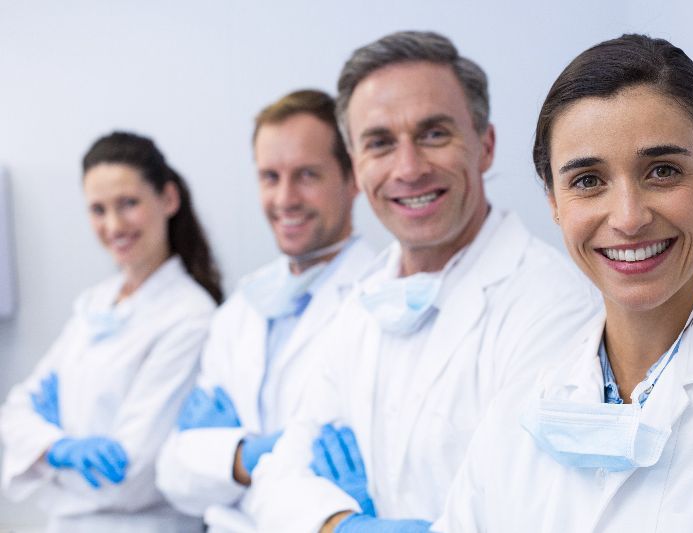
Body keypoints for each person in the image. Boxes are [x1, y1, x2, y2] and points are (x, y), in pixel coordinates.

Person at [431, 34, 693, 532]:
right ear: (555, 204)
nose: (628, 218)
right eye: (587, 180)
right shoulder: (517, 409)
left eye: (662, 171)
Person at [249, 31, 600, 532]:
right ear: (356, 166)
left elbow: (534, 514)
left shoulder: (556, 307)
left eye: (434, 134)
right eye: (380, 143)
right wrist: (339, 524)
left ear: (485, 146)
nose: (408, 168)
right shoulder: (361, 303)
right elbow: (277, 482)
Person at [155, 89, 374, 533]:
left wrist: (221, 457)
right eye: (270, 177)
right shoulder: (240, 310)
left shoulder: (378, 302)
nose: (285, 198)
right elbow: (172, 476)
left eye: (307, 175)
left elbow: (311, 488)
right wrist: (244, 457)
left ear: (353, 178)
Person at [0, 131, 222, 532]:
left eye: (128, 204)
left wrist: (42, 450)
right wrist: (60, 448)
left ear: (168, 199)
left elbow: (129, 480)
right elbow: (13, 412)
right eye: (98, 210)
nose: (114, 224)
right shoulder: (96, 304)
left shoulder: (191, 317)